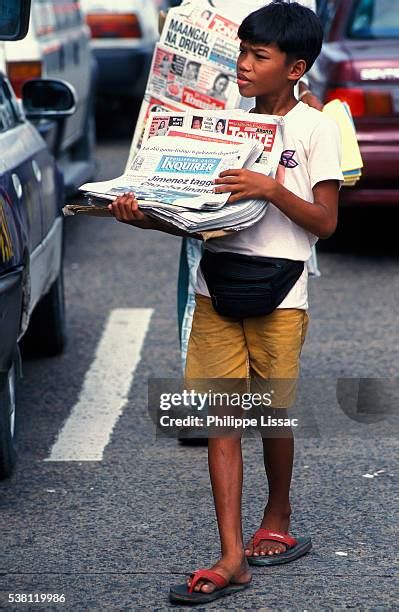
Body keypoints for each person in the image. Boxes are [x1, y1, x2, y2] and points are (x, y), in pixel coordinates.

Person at [109, 1, 342, 605]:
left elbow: (324, 222)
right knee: (220, 417)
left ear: (295, 69)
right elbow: (195, 217)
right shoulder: (220, 123)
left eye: (258, 56)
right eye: (241, 52)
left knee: (271, 414)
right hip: (216, 286)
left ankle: (279, 514)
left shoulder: (317, 127)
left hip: (281, 292)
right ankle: (232, 554)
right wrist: (146, 217)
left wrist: (270, 187)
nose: (241, 65)